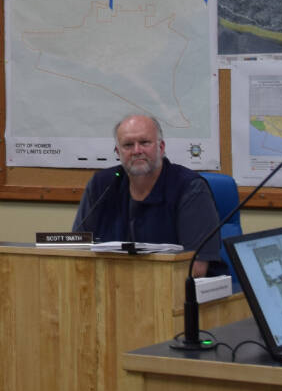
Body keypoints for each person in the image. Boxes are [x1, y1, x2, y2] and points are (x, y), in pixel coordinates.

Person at [72, 114, 221, 276]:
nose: (137, 151)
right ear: (118, 152)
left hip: (174, 293)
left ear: (161, 147)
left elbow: (196, 269)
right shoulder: (101, 185)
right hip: (111, 289)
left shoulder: (189, 188)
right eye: (128, 145)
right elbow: (77, 248)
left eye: (144, 143)